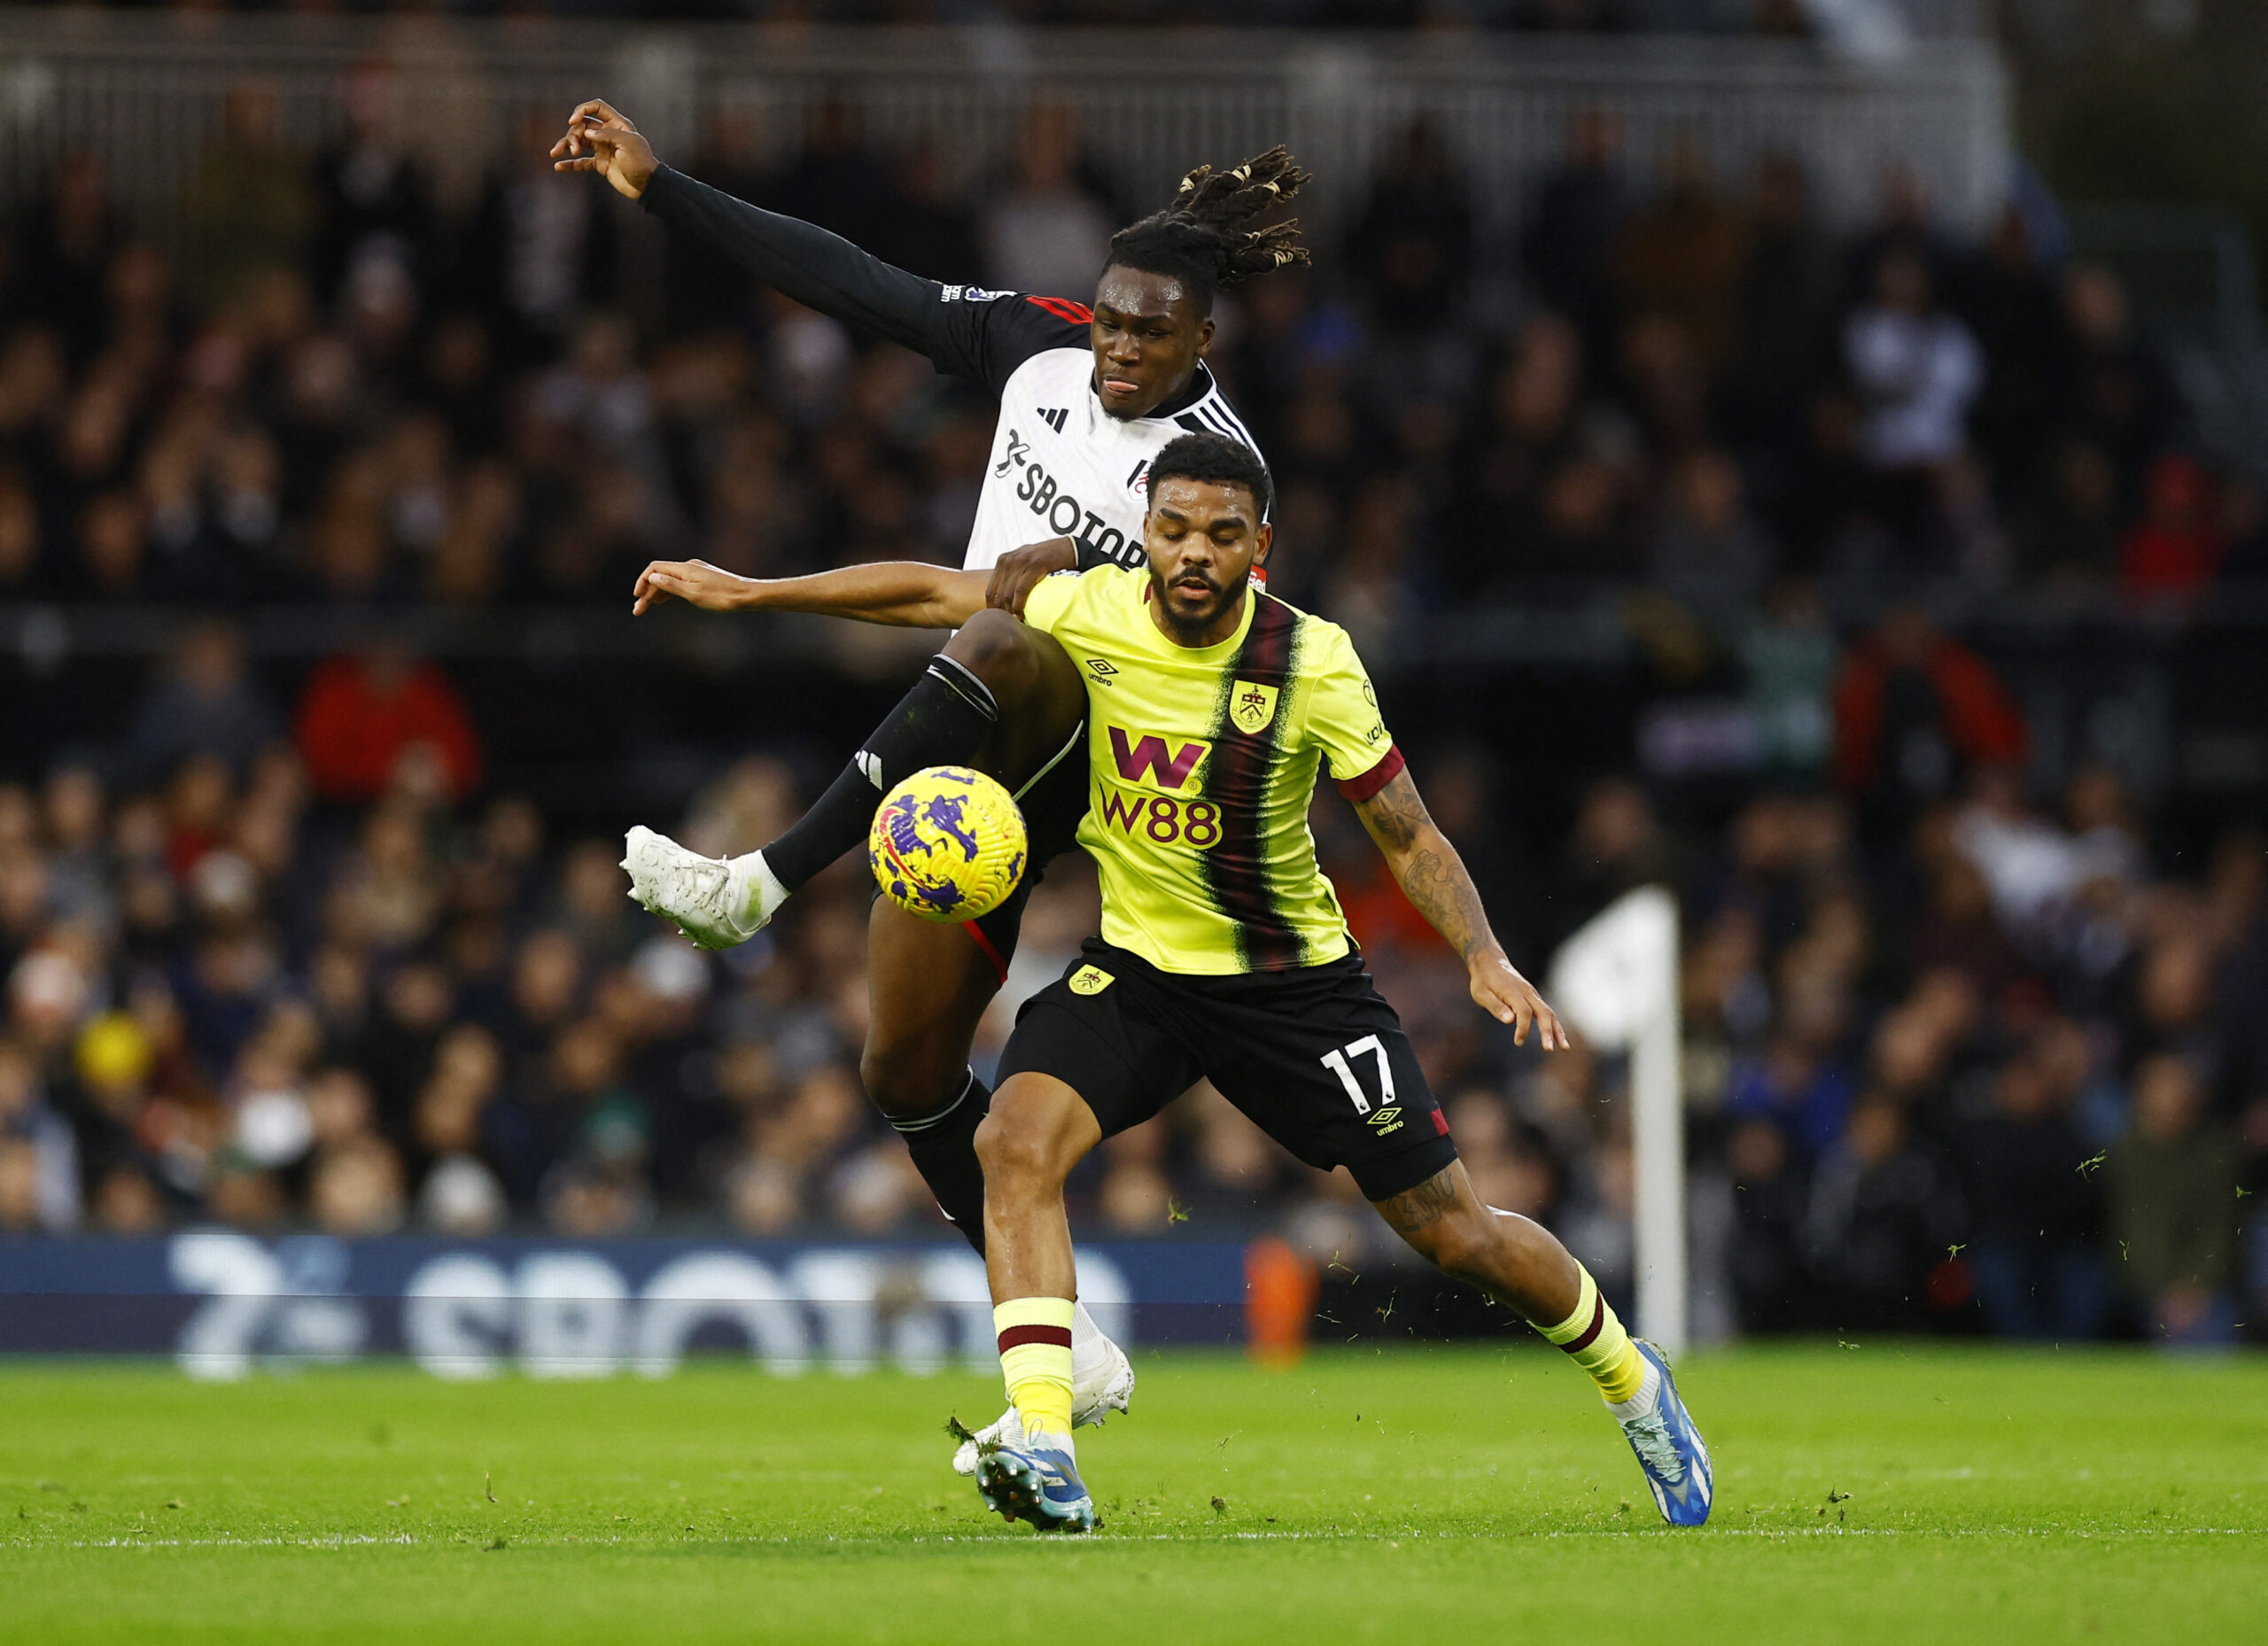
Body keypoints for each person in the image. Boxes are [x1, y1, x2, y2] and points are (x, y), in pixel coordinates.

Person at [626, 433, 1714, 1533]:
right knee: (1011, 1141)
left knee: (1453, 1231)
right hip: (1141, 972)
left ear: (1261, 547)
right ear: (1146, 530)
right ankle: (1046, 1443)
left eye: (1221, 535)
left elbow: (1410, 833)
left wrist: (1482, 952)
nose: (1194, 553)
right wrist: (751, 591)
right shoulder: (1088, 607)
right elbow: (926, 593)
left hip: (1295, 988)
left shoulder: (1312, 660)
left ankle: (1634, 1381)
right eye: (1174, 528)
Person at [556, 100, 1301, 1459]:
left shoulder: (1210, 485)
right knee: (902, 1066)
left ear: (1206, 338)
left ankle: (757, 880)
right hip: (971, 753)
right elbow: (859, 282)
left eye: (1150, 333)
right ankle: (1061, 1343)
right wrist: (661, 186)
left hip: (1106, 764)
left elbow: (982, 604)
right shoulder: (1041, 346)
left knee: (1009, 627)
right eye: (1111, 322)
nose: (1118, 350)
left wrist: (768, 592)